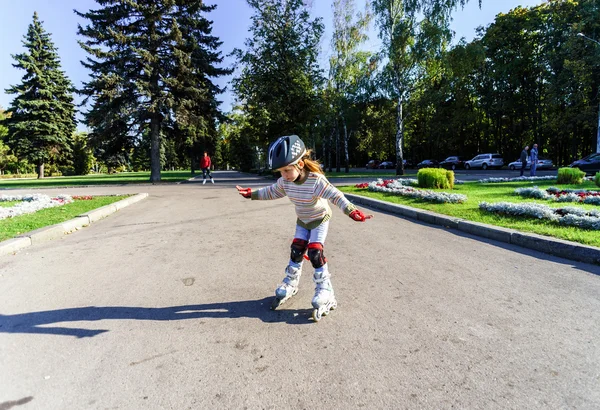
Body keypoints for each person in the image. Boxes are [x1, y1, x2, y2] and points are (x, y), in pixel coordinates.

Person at [236, 135, 372, 321]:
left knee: (315, 253)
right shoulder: (285, 182)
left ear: (300, 164)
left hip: (319, 219)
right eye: (280, 171)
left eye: (286, 170)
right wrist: (251, 194)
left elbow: (336, 195)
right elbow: (271, 191)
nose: (283, 175)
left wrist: (351, 211)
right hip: (303, 220)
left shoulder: (315, 181)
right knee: (296, 249)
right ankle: (291, 282)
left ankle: (326, 290)